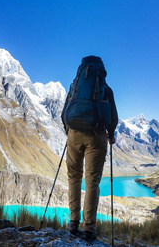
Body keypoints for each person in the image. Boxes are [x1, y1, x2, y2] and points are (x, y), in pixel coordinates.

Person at [61, 55, 118, 242]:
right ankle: (89, 229)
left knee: (74, 177)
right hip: (96, 136)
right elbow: (113, 118)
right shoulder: (106, 89)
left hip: (74, 134)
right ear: (101, 72)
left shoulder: (74, 87)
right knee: (92, 181)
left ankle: (73, 222)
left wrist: (68, 131)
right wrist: (110, 135)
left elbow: (65, 112)